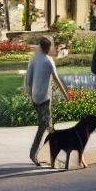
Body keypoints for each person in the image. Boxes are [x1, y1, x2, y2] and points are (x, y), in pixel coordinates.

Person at [24, 36, 69, 167]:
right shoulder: (48, 61)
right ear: (47, 48)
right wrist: (66, 95)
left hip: (35, 98)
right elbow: (56, 79)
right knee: (43, 127)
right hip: (44, 99)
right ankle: (33, 153)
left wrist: (28, 91)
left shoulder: (34, 59)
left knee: (50, 128)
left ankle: (52, 154)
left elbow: (29, 78)